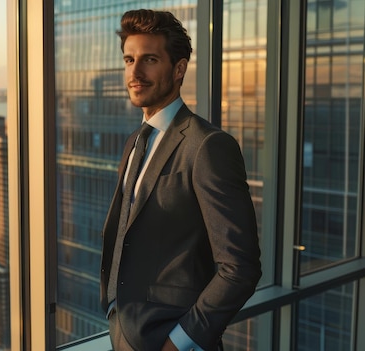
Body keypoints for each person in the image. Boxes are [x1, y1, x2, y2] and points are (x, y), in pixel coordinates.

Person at [99, 9, 262, 351]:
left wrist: (179, 343)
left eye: (150, 59)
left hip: (170, 340)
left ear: (179, 69)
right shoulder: (134, 142)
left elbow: (240, 267)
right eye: (129, 59)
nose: (135, 72)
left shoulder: (208, 146)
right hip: (126, 333)